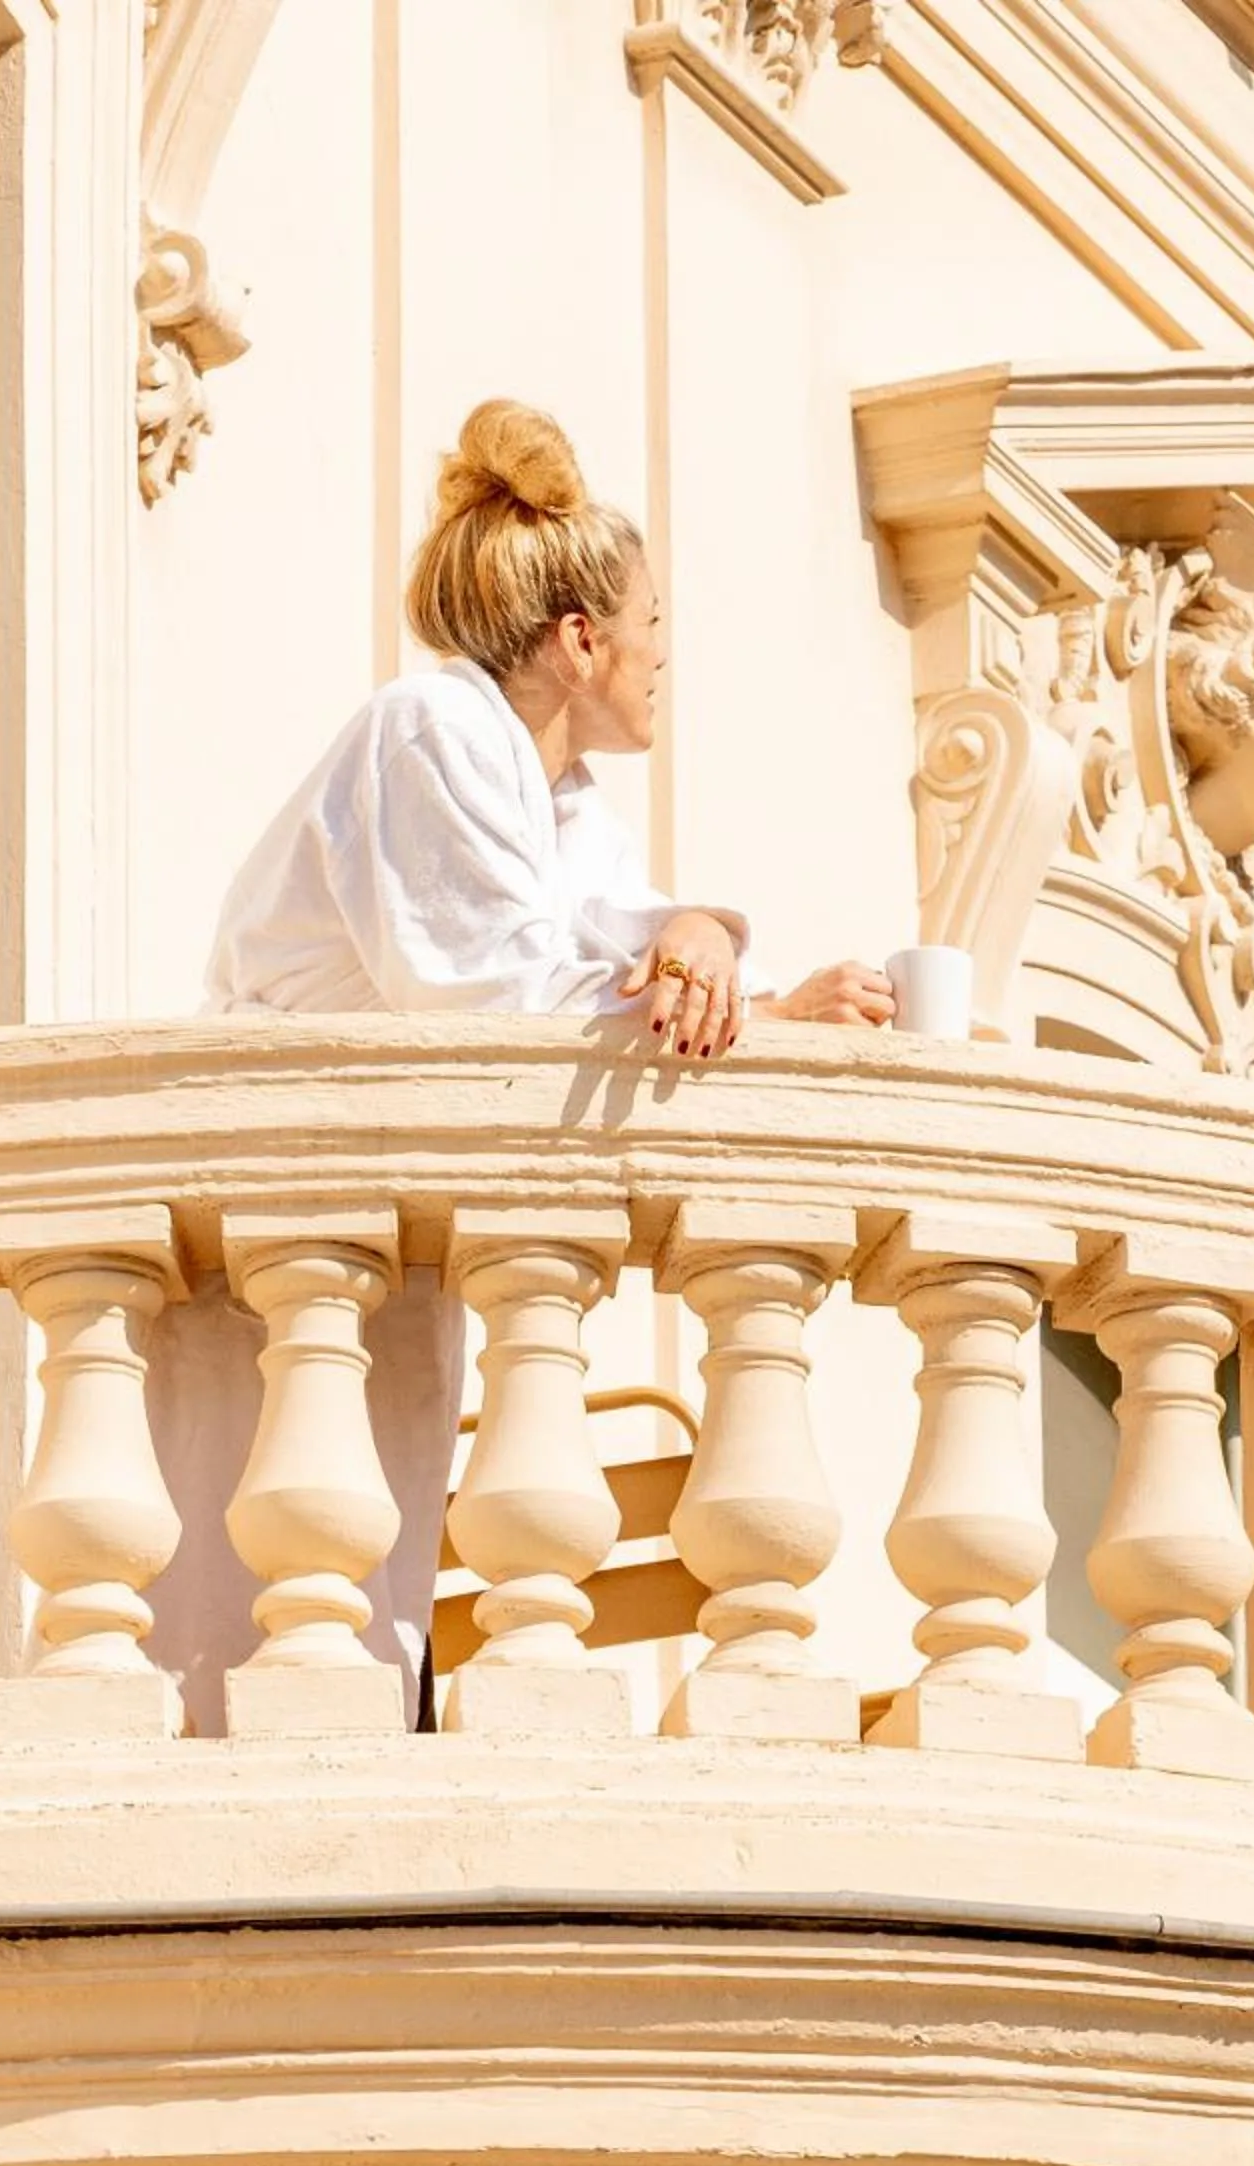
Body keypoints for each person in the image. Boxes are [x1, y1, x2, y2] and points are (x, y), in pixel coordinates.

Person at [205, 399, 894, 1711]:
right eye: (653, 630)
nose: (663, 659)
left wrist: (732, 970)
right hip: (286, 1230)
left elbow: (615, 947)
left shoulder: (558, 796)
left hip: (386, 1239)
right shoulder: (436, 730)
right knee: (272, 1616)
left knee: (363, 1600)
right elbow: (498, 995)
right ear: (581, 640)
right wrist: (690, 965)